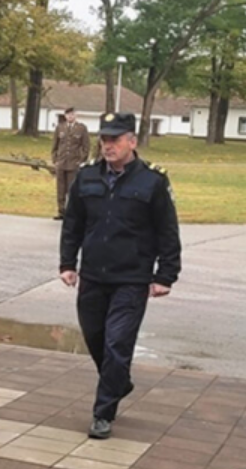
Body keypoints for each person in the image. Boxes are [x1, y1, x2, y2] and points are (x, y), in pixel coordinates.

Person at [59, 112, 181, 440]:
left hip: (132, 277)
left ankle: (103, 413)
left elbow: (167, 231)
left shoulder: (152, 181)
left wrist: (165, 275)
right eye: (104, 139)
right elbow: (73, 225)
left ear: (132, 141)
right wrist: (67, 264)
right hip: (93, 276)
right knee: (96, 339)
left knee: (117, 344)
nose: (108, 145)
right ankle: (119, 382)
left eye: (115, 139)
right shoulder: (86, 177)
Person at [51, 106, 90, 220]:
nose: (70, 116)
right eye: (68, 115)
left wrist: (81, 160)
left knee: (71, 189)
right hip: (61, 162)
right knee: (60, 188)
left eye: (72, 114)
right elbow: (55, 145)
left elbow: (86, 146)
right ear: (65, 116)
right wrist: (55, 159)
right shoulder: (60, 127)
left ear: (76, 115)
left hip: (73, 163)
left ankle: (71, 212)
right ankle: (61, 211)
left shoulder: (81, 128)